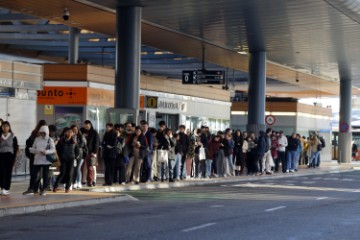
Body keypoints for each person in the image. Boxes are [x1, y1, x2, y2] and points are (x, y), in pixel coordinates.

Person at [23, 125, 55, 196]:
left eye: (44, 132)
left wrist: (46, 152)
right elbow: (33, 147)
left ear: (47, 132)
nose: (42, 134)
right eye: (41, 132)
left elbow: (53, 150)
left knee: (45, 175)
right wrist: (33, 150)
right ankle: (31, 189)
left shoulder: (50, 140)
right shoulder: (37, 139)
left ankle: (44, 189)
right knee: (33, 175)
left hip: (46, 160)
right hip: (37, 160)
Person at [24, 120, 47, 194]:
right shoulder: (42, 134)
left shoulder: (34, 133)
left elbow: (29, 145)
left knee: (34, 173)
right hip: (40, 156)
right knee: (39, 174)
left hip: (34, 156)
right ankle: (36, 189)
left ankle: (34, 189)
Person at [53, 127, 79, 193]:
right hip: (63, 159)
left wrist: (74, 157)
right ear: (65, 133)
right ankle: (55, 186)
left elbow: (77, 151)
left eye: (71, 132)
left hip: (71, 159)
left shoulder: (74, 141)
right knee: (62, 173)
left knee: (69, 174)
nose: (70, 133)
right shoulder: (61, 140)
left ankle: (67, 188)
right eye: (68, 132)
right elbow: (57, 149)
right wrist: (60, 156)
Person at [0, 121, 18, 195]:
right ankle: (2, 187)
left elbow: (15, 147)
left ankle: (7, 188)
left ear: (9, 127)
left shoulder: (13, 136)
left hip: (10, 156)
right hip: (1, 155)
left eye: (7, 126)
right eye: (3, 126)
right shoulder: (0, 135)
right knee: (2, 172)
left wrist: (14, 159)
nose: (5, 128)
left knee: (8, 172)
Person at [83, 120, 100, 187]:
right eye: (85, 125)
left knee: (93, 167)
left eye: (88, 125)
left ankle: (93, 180)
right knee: (85, 167)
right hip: (85, 152)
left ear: (90, 125)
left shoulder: (94, 132)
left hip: (92, 152)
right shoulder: (82, 131)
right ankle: (85, 180)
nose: (86, 126)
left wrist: (94, 152)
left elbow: (97, 142)